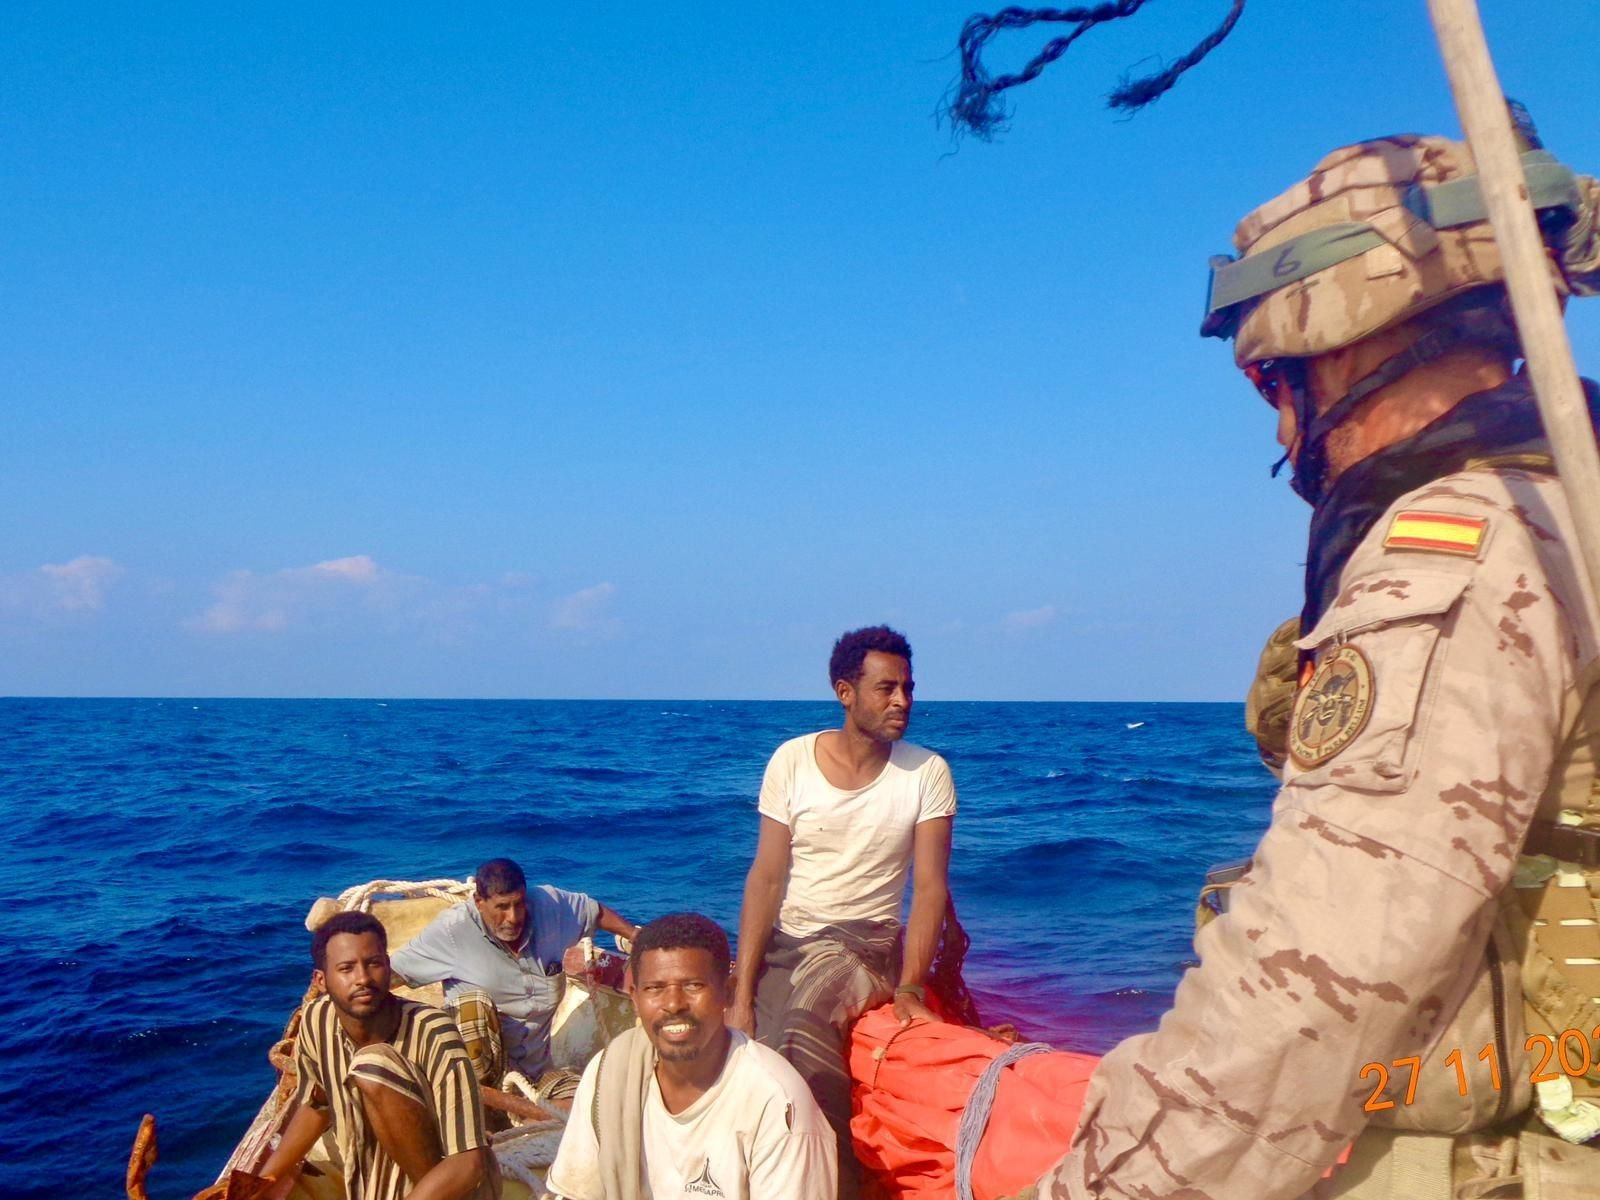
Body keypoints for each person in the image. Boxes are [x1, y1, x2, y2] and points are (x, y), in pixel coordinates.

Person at [1033, 133, 1600, 1198]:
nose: (1281, 425)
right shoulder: (1571, 510)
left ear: (1336, 346)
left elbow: (1313, 995)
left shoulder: (1467, 548)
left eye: (1267, 383)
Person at [728, 625, 957, 1197]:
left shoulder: (927, 773)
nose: (902, 701)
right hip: (789, 943)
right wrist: (740, 987)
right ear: (844, 691)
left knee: (802, 1028)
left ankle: (836, 1184)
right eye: (887, 688)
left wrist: (910, 988)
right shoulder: (792, 761)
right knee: (747, 1051)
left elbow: (929, 890)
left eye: (908, 687)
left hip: (866, 944)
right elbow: (767, 876)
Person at [543, 912, 837, 1200]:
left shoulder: (776, 1104)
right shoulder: (610, 1075)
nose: (673, 1004)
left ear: (728, 992)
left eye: (693, 986)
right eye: (655, 988)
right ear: (634, 998)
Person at [259, 910, 494, 1200]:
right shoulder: (316, 1020)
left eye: (374, 964)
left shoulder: (434, 1033)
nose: (363, 979)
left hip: (451, 1191)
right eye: (346, 968)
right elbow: (316, 1104)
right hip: (370, 1185)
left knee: (372, 1065)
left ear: (388, 966)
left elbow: (469, 1165)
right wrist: (263, 1180)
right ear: (321, 980)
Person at [391, 858, 640, 1086]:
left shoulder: (548, 905)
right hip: (476, 1078)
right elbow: (392, 974)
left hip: (538, 1072)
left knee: (578, 1108)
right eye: (502, 907)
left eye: (519, 904)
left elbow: (594, 911)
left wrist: (635, 937)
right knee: (472, 1007)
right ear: (479, 902)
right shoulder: (452, 931)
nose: (513, 917)